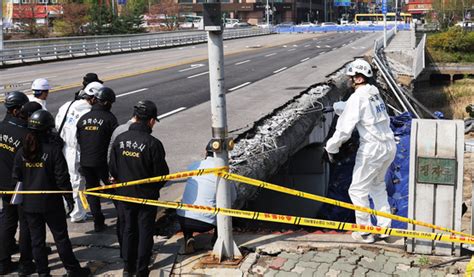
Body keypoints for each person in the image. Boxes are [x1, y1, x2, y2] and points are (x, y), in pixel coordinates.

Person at [325, 59, 396, 244]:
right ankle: (385, 227)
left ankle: (365, 232)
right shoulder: (374, 92)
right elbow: (365, 112)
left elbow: (344, 130)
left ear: (357, 78)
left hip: (372, 149)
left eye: (351, 77)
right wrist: (345, 108)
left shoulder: (357, 98)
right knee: (377, 187)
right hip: (388, 146)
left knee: (357, 190)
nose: (349, 80)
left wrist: (330, 147)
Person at [12, 110, 90, 277]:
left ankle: (43, 272)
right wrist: (69, 198)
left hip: (29, 205)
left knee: (37, 241)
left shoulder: (22, 153)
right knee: (61, 238)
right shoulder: (52, 151)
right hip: (51, 203)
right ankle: (73, 269)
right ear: (47, 130)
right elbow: (62, 178)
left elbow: (16, 177)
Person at [109, 100, 169, 277]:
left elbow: (113, 168)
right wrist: (152, 189)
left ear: (135, 118)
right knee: (144, 232)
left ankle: (128, 268)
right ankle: (142, 270)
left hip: (124, 195)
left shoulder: (120, 140)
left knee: (128, 229)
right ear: (151, 121)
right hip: (146, 197)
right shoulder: (152, 143)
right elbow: (162, 174)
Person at [55, 81, 104, 223]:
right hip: (77, 149)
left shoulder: (67, 105)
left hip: (63, 146)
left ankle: (68, 206)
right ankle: (77, 213)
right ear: (94, 98)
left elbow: (57, 123)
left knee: (65, 179)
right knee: (76, 181)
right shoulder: (88, 111)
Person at [176, 142, 236, 254]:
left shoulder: (194, 166)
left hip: (183, 219)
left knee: (186, 203)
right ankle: (216, 240)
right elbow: (232, 198)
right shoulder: (224, 172)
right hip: (206, 223)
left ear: (206, 152)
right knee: (226, 206)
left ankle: (188, 237)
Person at [0, 92, 35, 275]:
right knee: (26, 223)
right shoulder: (25, 133)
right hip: (21, 185)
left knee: (7, 221)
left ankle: (3, 261)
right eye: (23, 109)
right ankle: (25, 263)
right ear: (15, 110)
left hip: (3, 183)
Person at [77, 87, 118, 232]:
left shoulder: (83, 119)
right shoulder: (110, 118)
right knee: (114, 190)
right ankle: (123, 217)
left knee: (92, 192)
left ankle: (98, 223)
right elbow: (115, 143)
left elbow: (79, 140)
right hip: (103, 162)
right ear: (106, 102)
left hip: (86, 161)